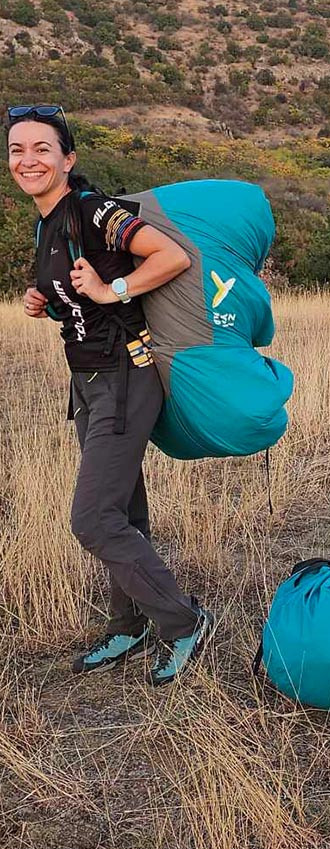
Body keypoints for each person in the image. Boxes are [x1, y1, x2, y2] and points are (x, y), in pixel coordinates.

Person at [5, 104, 214, 686]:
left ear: (68, 159)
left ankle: (182, 622)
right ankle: (131, 624)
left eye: (42, 148)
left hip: (125, 375)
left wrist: (109, 286)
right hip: (88, 379)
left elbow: (172, 257)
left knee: (94, 518)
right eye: (17, 150)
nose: (29, 159)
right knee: (122, 510)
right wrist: (46, 302)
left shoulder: (95, 211)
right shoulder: (47, 221)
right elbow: (81, 298)